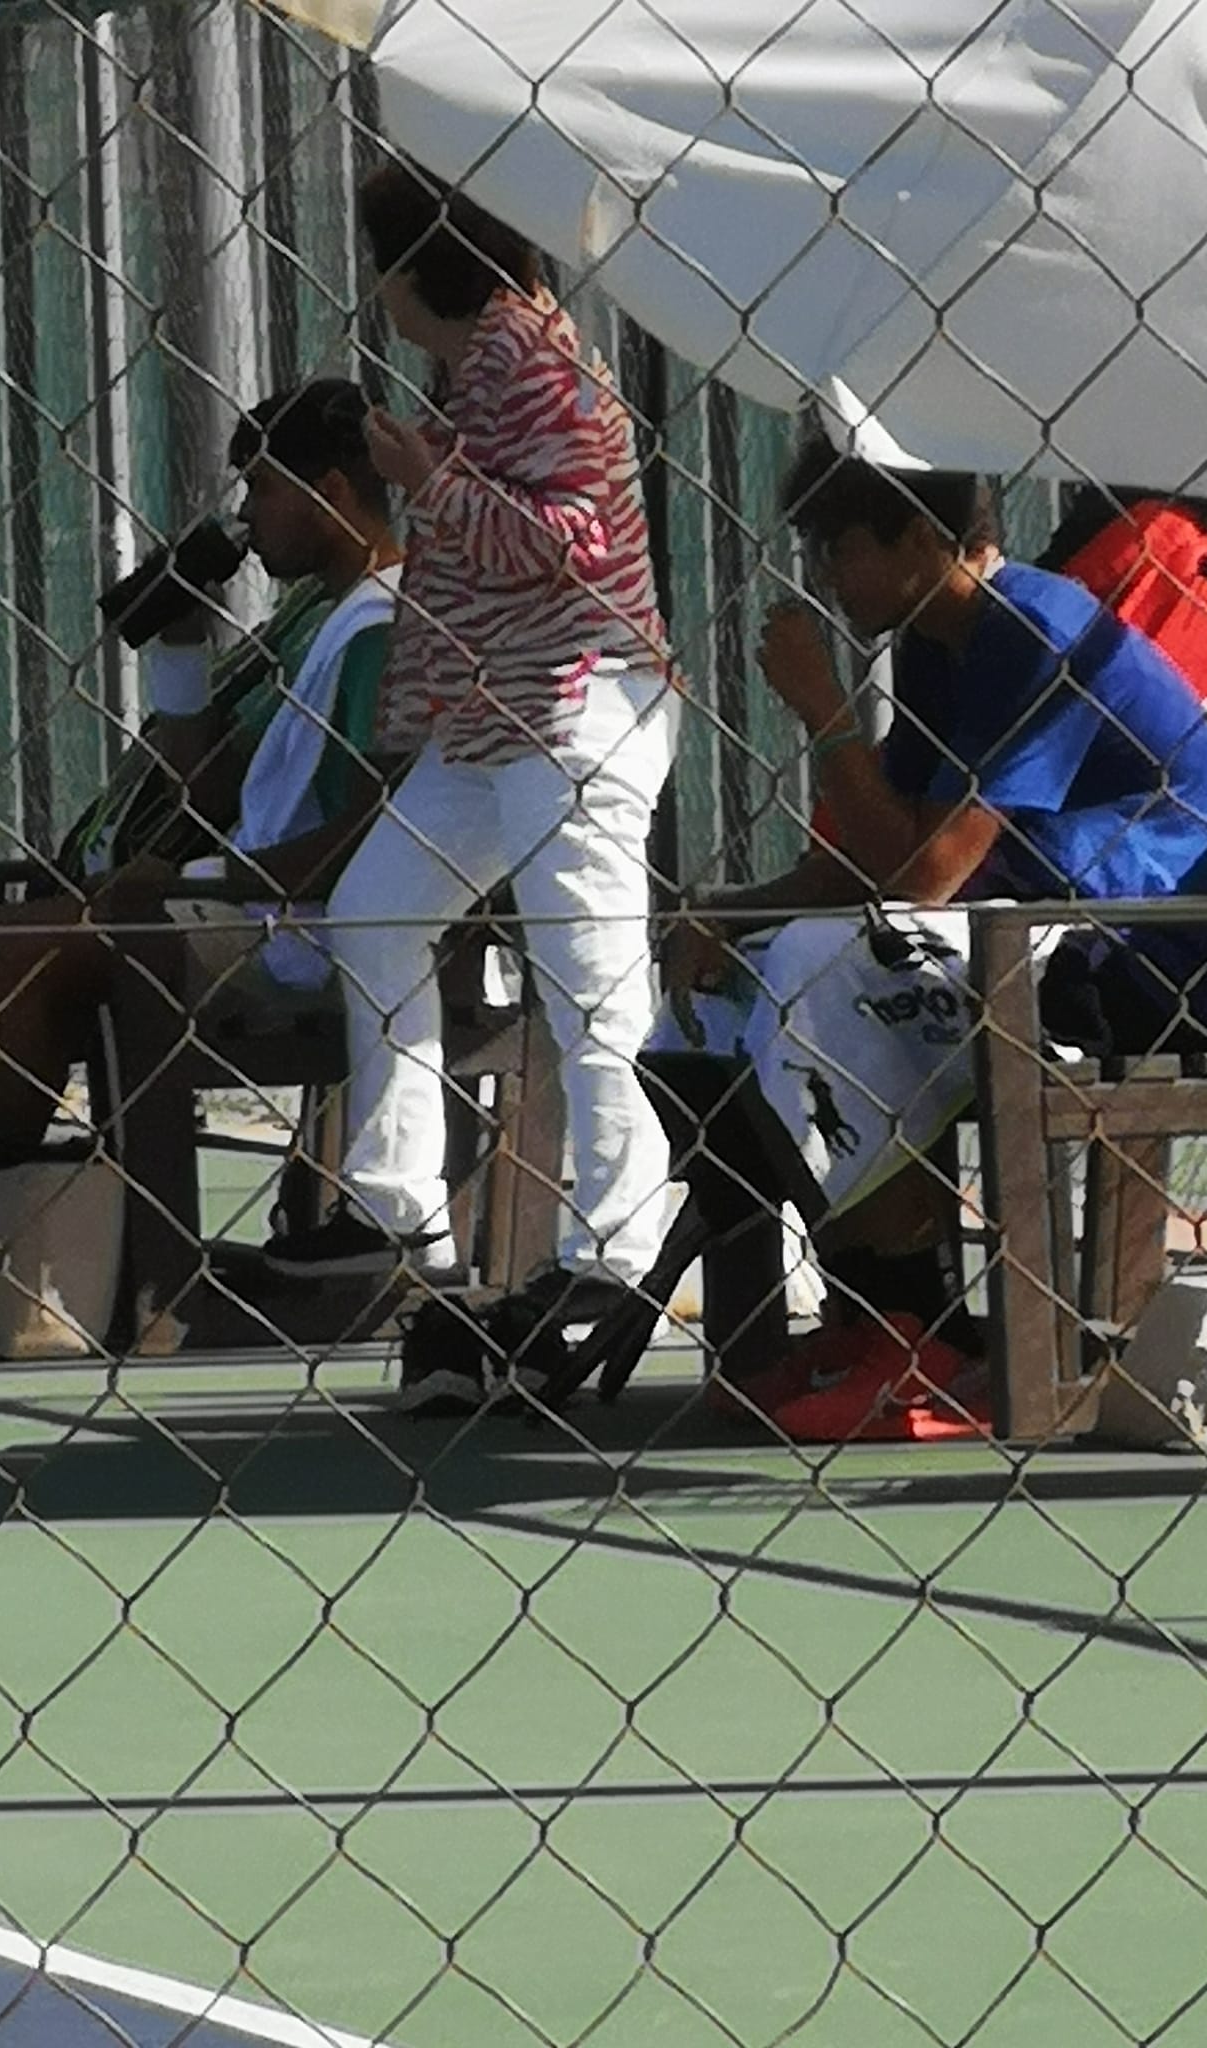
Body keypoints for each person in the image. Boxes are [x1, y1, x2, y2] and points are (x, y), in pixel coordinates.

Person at [0, 378, 405, 1356]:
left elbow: (378, 830)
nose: (244, 516)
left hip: (307, 926)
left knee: (10, 954)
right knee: (6, 939)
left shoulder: (380, 626)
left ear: (331, 489)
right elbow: (209, 783)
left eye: (264, 489)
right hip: (243, 903)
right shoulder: (311, 618)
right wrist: (179, 642)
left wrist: (203, 884)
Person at [657, 437, 1207, 1433]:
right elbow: (893, 856)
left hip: (1143, 959)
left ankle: (920, 1338)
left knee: (820, 966)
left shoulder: (1038, 634)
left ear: (923, 539)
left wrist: (825, 713)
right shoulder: (936, 641)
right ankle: (878, 1308)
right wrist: (729, 907)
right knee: (733, 978)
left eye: (839, 549)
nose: (827, 578)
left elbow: (919, 877)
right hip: (1019, 936)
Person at [258, 161, 680, 1407]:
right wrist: (438, 456)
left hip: (570, 703)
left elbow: (569, 539)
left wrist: (431, 476)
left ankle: (614, 1247)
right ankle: (401, 1214)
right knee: (377, 912)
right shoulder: (484, 361)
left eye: (381, 259)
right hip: (491, 714)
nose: (374, 284)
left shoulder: (528, 358)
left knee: (588, 975)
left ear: (413, 268)